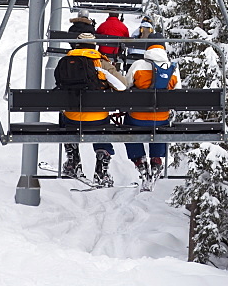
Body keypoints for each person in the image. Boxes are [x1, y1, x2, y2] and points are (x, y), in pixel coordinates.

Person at [54, 33, 129, 187]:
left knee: (63, 116)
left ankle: (72, 161)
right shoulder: (101, 63)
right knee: (104, 125)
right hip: (98, 120)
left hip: (71, 120)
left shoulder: (64, 62)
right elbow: (122, 86)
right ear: (93, 46)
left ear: (77, 45)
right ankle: (101, 168)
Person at [123, 43, 181, 181]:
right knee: (161, 127)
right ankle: (156, 159)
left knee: (126, 126)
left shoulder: (138, 65)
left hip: (137, 119)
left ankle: (139, 159)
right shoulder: (173, 68)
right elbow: (178, 93)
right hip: (161, 118)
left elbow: (125, 85)